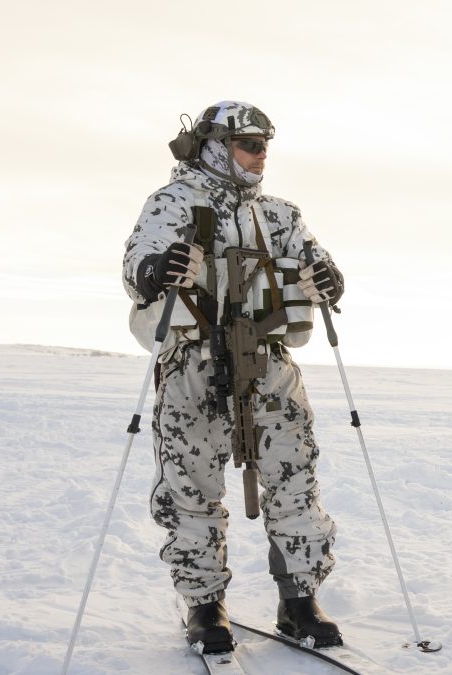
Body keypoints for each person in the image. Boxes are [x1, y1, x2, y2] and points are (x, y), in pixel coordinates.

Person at [122, 101, 347, 654]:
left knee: (295, 482)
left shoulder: (280, 215)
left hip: (270, 366)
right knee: (191, 488)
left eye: (265, 143)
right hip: (193, 366)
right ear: (217, 146)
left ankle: (299, 601)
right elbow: (137, 263)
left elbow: (315, 259)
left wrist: (328, 277)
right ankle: (204, 608)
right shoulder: (173, 202)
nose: (260, 153)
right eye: (249, 143)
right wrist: (156, 269)